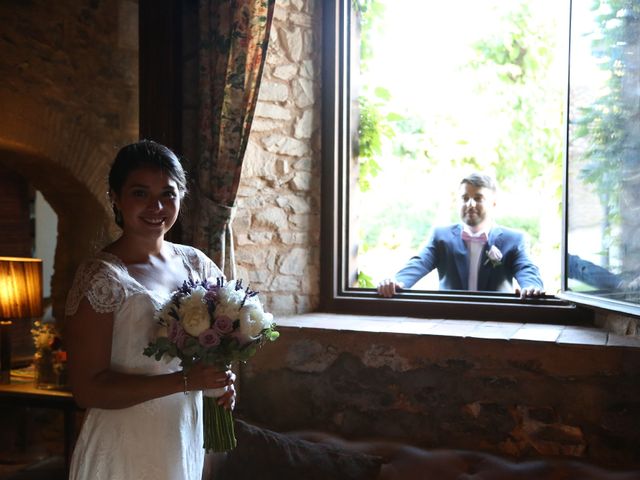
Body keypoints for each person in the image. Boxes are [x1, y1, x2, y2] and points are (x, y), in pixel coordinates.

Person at [64, 140, 235, 480]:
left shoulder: (197, 265)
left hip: (182, 434)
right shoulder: (102, 277)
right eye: (140, 193)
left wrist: (221, 382)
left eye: (168, 194)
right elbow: (86, 389)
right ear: (115, 196)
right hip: (123, 445)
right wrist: (186, 381)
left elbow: (219, 343)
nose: (156, 206)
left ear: (181, 196)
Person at [377, 172, 544, 298]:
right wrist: (396, 282)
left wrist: (531, 287)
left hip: (496, 324)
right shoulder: (440, 236)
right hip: (450, 323)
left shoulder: (513, 239)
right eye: (465, 198)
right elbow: (418, 263)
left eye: (478, 198)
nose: (470, 204)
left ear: (493, 202)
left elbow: (527, 269)